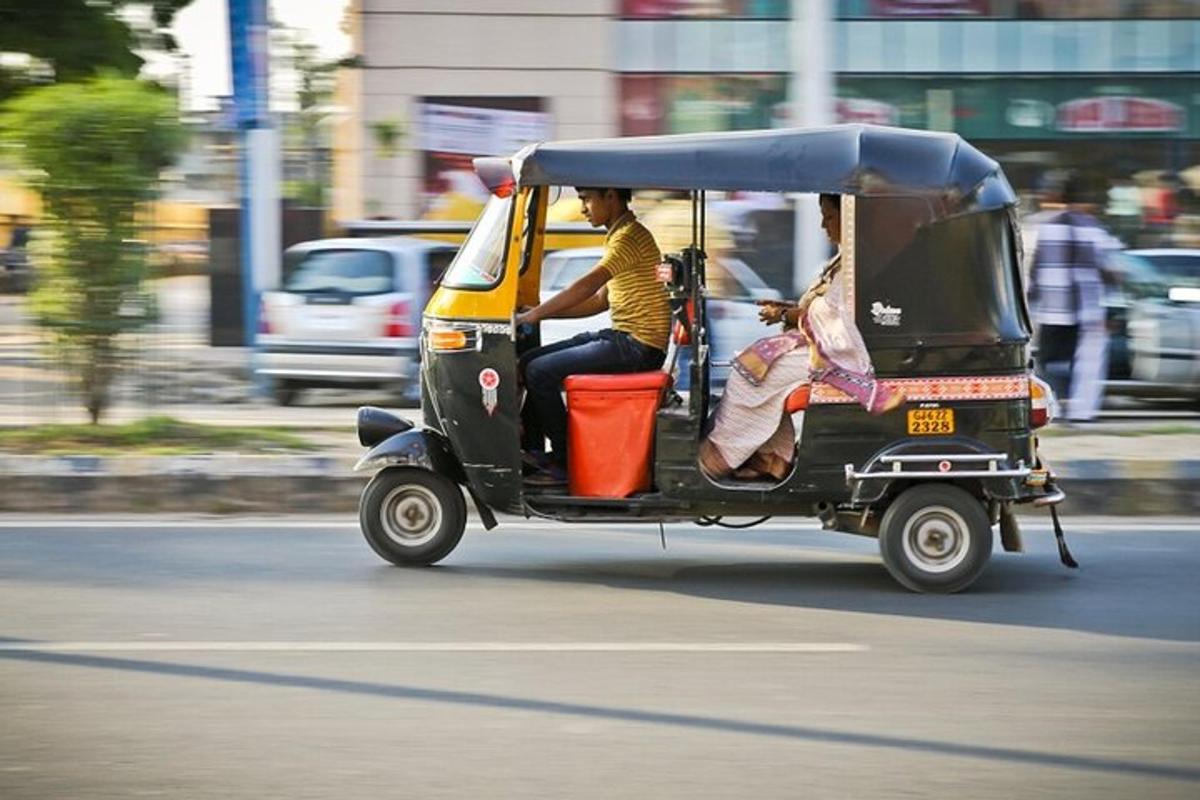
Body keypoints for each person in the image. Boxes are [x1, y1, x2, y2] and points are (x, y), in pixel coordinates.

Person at [698, 193, 904, 482]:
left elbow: (832, 315)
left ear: (848, 219)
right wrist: (787, 310)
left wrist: (786, 316)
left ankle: (722, 457)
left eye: (829, 217)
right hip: (815, 341)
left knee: (748, 376)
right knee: (751, 363)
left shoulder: (856, 263)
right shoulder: (844, 258)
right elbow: (817, 306)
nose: (823, 225)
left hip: (832, 352)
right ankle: (768, 457)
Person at [516, 187, 671, 485]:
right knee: (531, 360)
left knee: (539, 371)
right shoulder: (618, 234)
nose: (583, 208)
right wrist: (539, 313)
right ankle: (533, 452)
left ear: (610, 197)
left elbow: (587, 286)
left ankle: (564, 460)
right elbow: (599, 301)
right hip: (625, 338)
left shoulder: (629, 237)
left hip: (638, 346)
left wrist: (533, 315)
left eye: (587, 198)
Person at [1028, 172, 1116, 424]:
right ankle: (1080, 412)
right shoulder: (1092, 227)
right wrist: (1110, 307)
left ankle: (1052, 409)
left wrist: (1028, 302)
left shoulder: (1039, 226)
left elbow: (1030, 269)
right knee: (1086, 367)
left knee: (1047, 361)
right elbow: (1110, 270)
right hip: (1087, 311)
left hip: (1050, 310)